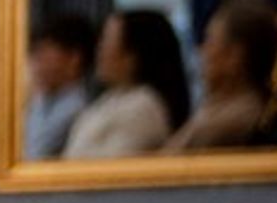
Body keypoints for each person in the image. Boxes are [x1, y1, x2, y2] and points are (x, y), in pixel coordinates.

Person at [64, 9, 189, 159]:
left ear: (132, 57)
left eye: (107, 41)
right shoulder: (110, 99)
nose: (99, 50)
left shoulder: (143, 109)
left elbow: (109, 171)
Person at [165, 2, 277, 150]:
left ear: (235, 57)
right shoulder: (218, 108)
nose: (202, 50)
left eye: (210, 41)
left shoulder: (228, 122)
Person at [23, 13, 96, 159]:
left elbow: (35, 154)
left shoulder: (76, 109)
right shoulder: (42, 101)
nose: (35, 64)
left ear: (73, 59)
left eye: (42, 54)